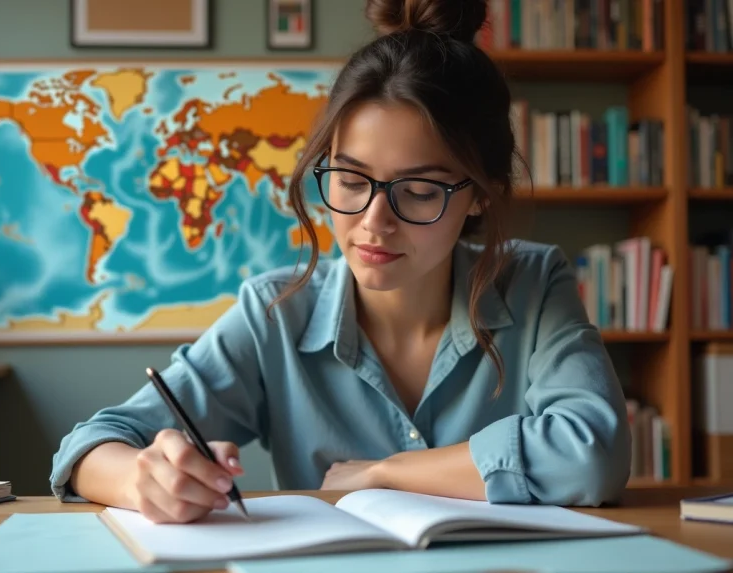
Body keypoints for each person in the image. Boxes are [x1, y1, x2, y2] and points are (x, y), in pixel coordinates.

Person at [50, 0, 632, 524]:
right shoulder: (275, 312)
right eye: (350, 179)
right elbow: (91, 446)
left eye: (421, 190)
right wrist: (145, 477)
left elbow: (594, 453)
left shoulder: (533, 282)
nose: (374, 220)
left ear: (480, 193)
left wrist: (387, 472)